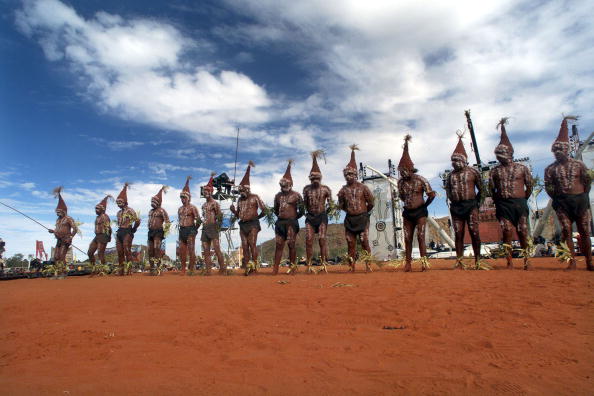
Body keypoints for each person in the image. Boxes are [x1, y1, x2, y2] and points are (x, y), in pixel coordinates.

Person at [544, 116, 593, 270]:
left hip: (580, 201)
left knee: (584, 231)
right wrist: (558, 200)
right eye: (555, 150)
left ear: (568, 149)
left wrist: (582, 196)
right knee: (566, 230)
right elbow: (549, 188)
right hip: (562, 203)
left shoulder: (579, 165)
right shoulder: (550, 169)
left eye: (561, 149)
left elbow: (587, 183)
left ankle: (589, 262)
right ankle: (571, 261)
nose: (558, 152)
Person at [489, 118, 533, 270]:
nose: (499, 155)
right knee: (507, 231)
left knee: (523, 231)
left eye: (502, 152)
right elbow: (491, 189)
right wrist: (499, 200)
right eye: (498, 153)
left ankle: (527, 261)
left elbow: (530, 186)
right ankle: (509, 262)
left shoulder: (522, 168)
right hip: (503, 205)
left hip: (519, 203)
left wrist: (522, 198)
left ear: (510, 153)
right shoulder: (494, 171)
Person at [397, 135, 436, 272]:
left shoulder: (421, 180)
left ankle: (424, 263)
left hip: (420, 212)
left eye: (404, 170)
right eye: (400, 171)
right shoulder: (400, 182)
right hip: (408, 213)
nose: (402, 173)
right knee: (407, 237)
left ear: (410, 169)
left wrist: (424, 206)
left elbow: (432, 194)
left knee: (420, 236)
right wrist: (409, 204)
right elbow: (401, 196)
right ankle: (408, 263)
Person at [445, 132, 482, 268]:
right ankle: (459, 261)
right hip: (456, 207)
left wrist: (476, 203)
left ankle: (478, 260)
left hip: (471, 205)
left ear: (464, 160)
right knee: (458, 234)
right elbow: (448, 190)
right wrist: (453, 200)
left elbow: (482, 189)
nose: (454, 163)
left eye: (457, 160)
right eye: (453, 161)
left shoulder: (473, 172)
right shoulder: (450, 176)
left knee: (474, 232)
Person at [337, 144, 375, 272]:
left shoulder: (363, 188)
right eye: (346, 175)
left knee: (364, 242)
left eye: (351, 174)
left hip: (362, 219)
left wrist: (363, 213)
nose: (348, 176)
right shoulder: (342, 191)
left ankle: (368, 265)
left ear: (356, 175)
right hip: (349, 220)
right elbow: (341, 205)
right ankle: (351, 267)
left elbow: (371, 203)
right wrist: (350, 212)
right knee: (350, 243)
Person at [230, 161, 266, 275]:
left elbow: (264, 210)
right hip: (242, 224)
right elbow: (238, 215)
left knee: (252, 244)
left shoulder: (255, 197)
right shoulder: (240, 200)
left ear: (247, 189)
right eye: (240, 191)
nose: (241, 192)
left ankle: (254, 267)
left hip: (253, 224)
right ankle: (247, 267)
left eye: (243, 190)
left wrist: (256, 218)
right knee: (244, 246)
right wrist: (233, 211)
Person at [303, 150, 333, 273]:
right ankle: (309, 264)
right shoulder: (306, 190)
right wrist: (308, 213)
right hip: (310, 217)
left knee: (322, 239)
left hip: (321, 217)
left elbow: (331, 205)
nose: (315, 179)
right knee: (308, 240)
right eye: (313, 177)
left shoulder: (326, 189)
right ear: (310, 178)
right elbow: (305, 204)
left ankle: (323, 263)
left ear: (320, 177)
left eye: (317, 177)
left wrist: (325, 213)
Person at [272, 160, 304, 275]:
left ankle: (292, 267)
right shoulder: (277, 196)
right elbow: (275, 210)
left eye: (285, 185)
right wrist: (281, 217)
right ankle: (275, 269)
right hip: (280, 223)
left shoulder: (297, 195)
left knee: (291, 244)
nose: (283, 187)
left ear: (290, 184)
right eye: (282, 185)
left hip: (291, 222)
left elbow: (302, 210)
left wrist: (294, 217)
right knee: (279, 245)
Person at [201, 173, 226, 275]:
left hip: (213, 227)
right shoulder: (203, 205)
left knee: (216, 248)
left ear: (211, 192)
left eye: (207, 191)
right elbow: (203, 216)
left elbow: (220, 215)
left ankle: (223, 269)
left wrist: (218, 226)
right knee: (206, 250)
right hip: (205, 228)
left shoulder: (215, 203)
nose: (205, 192)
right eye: (204, 191)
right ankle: (208, 270)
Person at [48, 187, 78, 268]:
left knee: (61, 256)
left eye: (59, 212)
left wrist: (70, 237)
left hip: (66, 239)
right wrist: (53, 231)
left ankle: (63, 271)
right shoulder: (58, 220)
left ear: (64, 211)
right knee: (56, 257)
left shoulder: (69, 218)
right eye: (56, 212)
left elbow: (75, 228)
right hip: (59, 240)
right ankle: (57, 271)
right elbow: (58, 230)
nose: (57, 213)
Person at [115, 183, 140, 275]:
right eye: (117, 203)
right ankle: (121, 270)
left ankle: (129, 269)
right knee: (120, 251)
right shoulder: (118, 213)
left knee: (126, 248)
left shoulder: (130, 210)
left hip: (128, 231)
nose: (118, 204)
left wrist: (134, 229)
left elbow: (137, 220)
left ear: (125, 202)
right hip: (120, 231)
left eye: (120, 202)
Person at [178, 176, 201, 274]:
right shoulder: (179, 209)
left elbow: (199, 220)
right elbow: (180, 219)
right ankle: (183, 268)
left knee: (191, 250)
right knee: (182, 251)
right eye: (181, 198)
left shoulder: (193, 208)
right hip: (182, 230)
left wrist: (194, 230)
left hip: (190, 229)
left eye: (184, 198)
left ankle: (191, 269)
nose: (182, 199)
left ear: (188, 198)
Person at [148, 186, 170, 274]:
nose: (152, 203)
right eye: (152, 201)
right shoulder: (150, 211)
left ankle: (158, 267)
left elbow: (167, 221)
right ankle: (152, 268)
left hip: (159, 232)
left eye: (154, 201)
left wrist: (165, 230)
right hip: (150, 232)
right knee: (150, 250)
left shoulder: (162, 211)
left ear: (159, 202)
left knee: (157, 248)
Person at [88, 194, 112, 269]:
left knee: (100, 253)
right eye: (95, 208)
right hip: (97, 236)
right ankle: (93, 268)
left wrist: (108, 236)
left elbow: (108, 227)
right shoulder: (97, 217)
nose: (96, 210)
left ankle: (103, 269)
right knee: (90, 252)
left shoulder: (105, 217)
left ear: (102, 209)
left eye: (98, 209)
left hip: (103, 235)